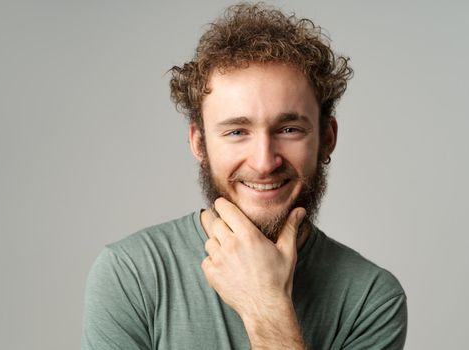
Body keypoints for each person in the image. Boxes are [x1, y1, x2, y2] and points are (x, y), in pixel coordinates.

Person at [81, 4, 407, 349]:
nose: (264, 162)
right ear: (199, 143)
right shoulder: (131, 274)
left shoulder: (372, 299)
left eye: (289, 128)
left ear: (327, 138)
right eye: (237, 132)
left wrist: (266, 307)